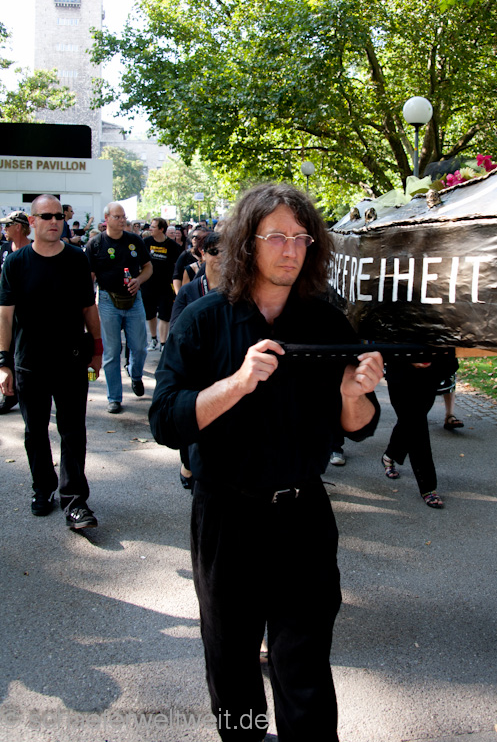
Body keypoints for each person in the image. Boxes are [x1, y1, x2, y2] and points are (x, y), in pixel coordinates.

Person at [150, 183, 384, 742]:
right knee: (231, 660)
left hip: (304, 515)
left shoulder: (327, 323)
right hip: (227, 515)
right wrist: (237, 382)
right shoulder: (203, 320)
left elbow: (358, 425)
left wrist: (354, 395)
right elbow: (165, 421)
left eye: (302, 238)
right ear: (247, 243)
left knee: (305, 662)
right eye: (276, 236)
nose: (291, 249)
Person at [0, 194, 103, 529]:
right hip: (29, 363)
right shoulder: (16, 263)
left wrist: (97, 350)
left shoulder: (76, 259)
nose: (55, 221)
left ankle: (75, 501)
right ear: (32, 221)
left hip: (72, 361)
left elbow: (89, 307)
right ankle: (42, 488)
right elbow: (5, 317)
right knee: (35, 431)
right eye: (46, 216)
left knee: (73, 431)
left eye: (59, 215)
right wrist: (3, 364)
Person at [86, 202, 153, 415]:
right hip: (108, 301)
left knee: (139, 347)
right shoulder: (96, 244)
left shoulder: (134, 240)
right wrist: (88, 303)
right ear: (107, 219)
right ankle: (114, 397)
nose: (122, 220)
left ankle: (135, 374)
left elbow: (148, 267)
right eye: (117, 217)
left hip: (134, 300)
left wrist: (139, 280)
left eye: (123, 216)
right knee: (112, 352)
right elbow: (90, 276)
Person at [169, 231, 221, 491]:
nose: (220, 258)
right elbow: (175, 330)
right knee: (190, 419)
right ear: (203, 254)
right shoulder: (190, 290)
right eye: (214, 252)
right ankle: (187, 464)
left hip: (224, 366)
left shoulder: (240, 289)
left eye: (227, 252)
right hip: (195, 367)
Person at [382, 349, 459, 508]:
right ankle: (427, 486)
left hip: (430, 372)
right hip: (400, 371)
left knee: (411, 420)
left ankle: (390, 455)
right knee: (416, 425)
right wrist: (407, 357)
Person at [0, 212, 32, 414]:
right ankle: (9, 394)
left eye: (7, 225)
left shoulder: (33, 250)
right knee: (5, 349)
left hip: (26, 314)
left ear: (18, 227)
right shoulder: (4, 249)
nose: (4, 229)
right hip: (6, 309)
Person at [141, 217, 180, 351]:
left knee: (164, 314)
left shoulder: (172, 246)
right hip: (148, 285)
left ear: (161, 229)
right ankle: (153, 339)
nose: (150, 229)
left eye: (153, 227)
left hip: (165, 286)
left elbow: (177, 266)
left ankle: (163, 343)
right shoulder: (145, 242)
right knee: (150, 314)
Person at [173, 228, 207, 293]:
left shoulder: (210, 255)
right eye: (193, 237)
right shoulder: (185, 254)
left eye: (197, 237)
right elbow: (177, 276)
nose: (194, 239)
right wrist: (179, 295)